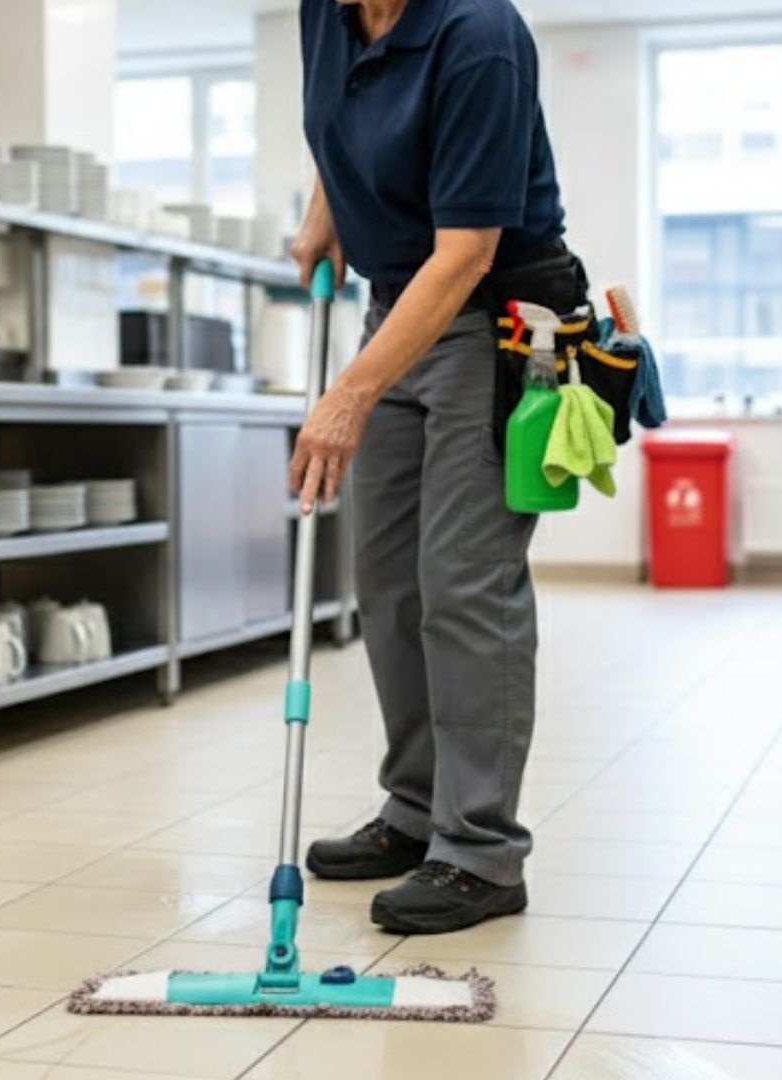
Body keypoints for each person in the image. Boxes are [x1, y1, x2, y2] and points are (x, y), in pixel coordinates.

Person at [290, 0, 589, 935]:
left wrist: (348, 396)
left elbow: (467, 254)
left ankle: (481, 851)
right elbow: (340, 128)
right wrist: (324, 214)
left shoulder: (479, 37)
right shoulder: (329, 14)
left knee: (465, 581)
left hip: (495, 318)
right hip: (396, 306)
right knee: (387, 581)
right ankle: (416, 812)